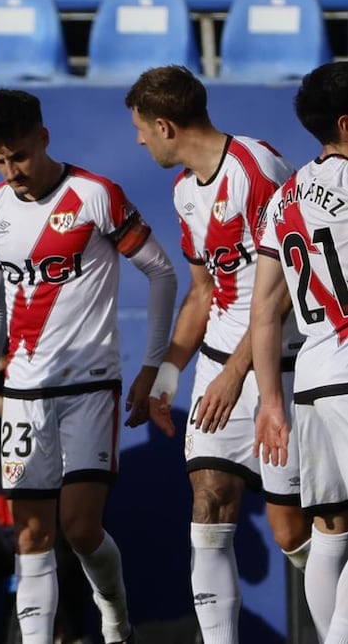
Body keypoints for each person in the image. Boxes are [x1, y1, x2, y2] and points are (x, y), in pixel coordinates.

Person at [0, 88, 178, 644]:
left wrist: (152, 367)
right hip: (23, 391)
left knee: (81, 528)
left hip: (91, 387)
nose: (11, 171)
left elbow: (162, 274)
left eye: (18, 155)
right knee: (31, 536)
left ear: (44, 138)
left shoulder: (96, 196)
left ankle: (115, 618)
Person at [126, 65, 311, 644]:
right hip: (218, 366)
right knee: (209, 506)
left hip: (278, 366)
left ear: (164, 125)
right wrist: (165, 376)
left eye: (141, 129)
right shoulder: (184, 191)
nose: (138, 141)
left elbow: (284, 287)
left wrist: (238, 373)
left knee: (290, 531)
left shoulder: (258, 170)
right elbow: (203, 291)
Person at [253, 61, 348, 642]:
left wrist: (270, 400)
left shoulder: (284, 197)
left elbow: (264, 308)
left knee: (331, 528)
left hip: (311, 379)